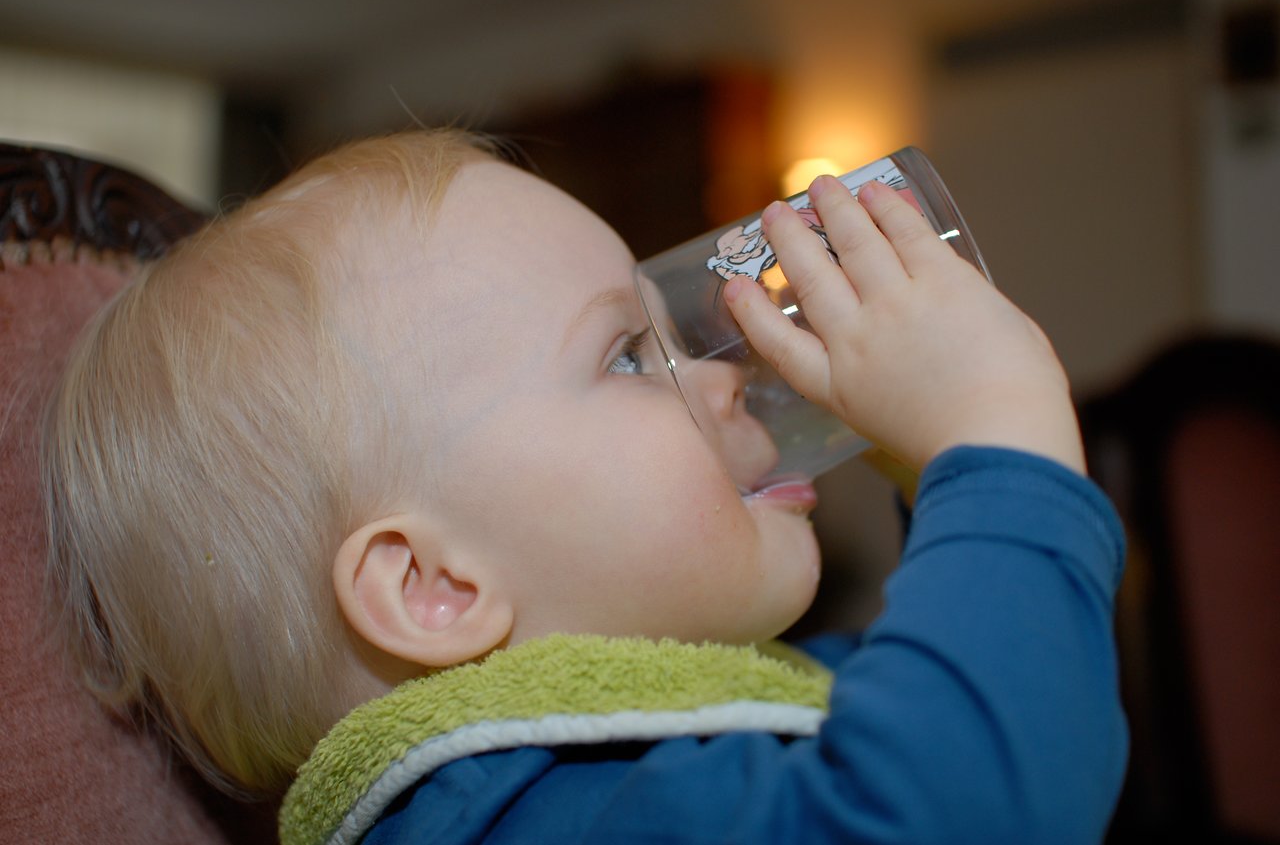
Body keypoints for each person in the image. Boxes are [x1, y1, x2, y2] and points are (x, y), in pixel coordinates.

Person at [42, 129, 1126, 844]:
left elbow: (998, 709)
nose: (716, 369)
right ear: (434, 585)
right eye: (624, 353)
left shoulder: (636, 752)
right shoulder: (534, 816)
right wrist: (995, 451)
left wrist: (935, 480)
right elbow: (971, 801)